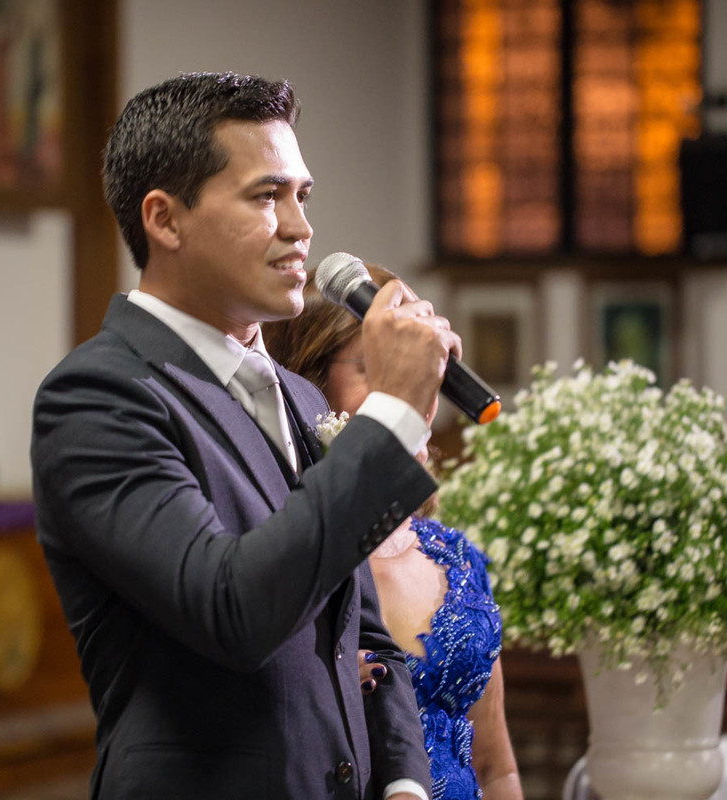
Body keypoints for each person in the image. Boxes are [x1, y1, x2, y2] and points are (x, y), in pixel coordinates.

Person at [31, 72, 461, 799]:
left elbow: (363, 634)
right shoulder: (98, 397)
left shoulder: (301, 395)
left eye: (303, 196)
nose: (301, 228)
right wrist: (390, 412)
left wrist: (402, 783)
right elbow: (232, 611)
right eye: (266, 197)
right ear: (165, 221)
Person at [264, 266, 525, 800]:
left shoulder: (454, 557)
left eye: (421, 368)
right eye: (380, 368)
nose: (413, 390)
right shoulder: (287, 559)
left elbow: (495, 766)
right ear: (309, 386)